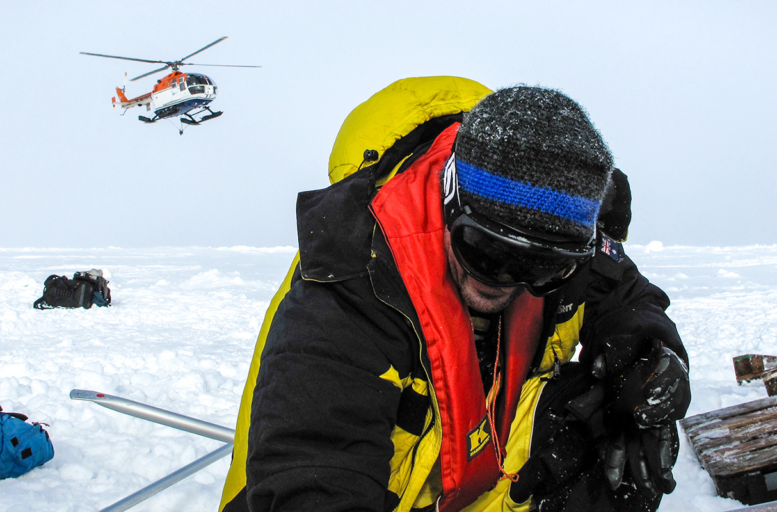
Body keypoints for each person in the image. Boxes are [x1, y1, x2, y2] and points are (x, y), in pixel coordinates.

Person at [218, 77, 690, 512]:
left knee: (601, 423)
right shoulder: (351, 286)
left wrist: (654, 358)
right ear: (449, 204)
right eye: (484, 249)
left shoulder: (566, 228)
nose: (503, 281)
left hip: (468, 485)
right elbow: (311, 471)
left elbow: (626, 294)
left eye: (541, 268)